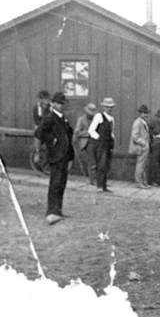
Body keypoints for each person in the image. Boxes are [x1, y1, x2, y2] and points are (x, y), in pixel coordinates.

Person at [34, 92, 74, 224]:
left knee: (62, 184)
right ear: (53, 104)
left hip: (65, 157)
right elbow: (38, 134)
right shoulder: (49, 118)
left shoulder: (64, 119)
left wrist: (71, 157)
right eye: (58, 103)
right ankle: (51, 212)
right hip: (55, 157)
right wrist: (46, 145)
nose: (61, 106)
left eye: (62, 103)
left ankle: (58, 210)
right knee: (55, 184)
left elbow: (69, 139)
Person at [88, 97, 116, 191]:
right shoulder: (98, 116)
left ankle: (104, 186)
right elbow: (91, 130)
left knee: (107, 165)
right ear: (103, 107)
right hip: (100, 145)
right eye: (107, 107)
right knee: (101, 165)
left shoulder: (112, 119)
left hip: (108, 144)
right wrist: (99, 138)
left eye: (111, 107)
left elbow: (111, 131)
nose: (109, 109)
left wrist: (112, 138)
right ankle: (99, 186)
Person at [73, 103, 97, 183]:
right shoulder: (81, 119)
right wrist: (88, 132)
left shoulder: (96, 119)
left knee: (96, 160)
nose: (91, 115)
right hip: (85, 142)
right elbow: (77, 132)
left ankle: (94, 178)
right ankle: (92, 179)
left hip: (96, 141)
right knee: (91, 161)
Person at [129, 105, 151, 188]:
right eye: (144, 113)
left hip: (144, 147)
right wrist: (144, 143)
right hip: (141, 147)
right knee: (140, 165)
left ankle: (143, 182)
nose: (146, 115)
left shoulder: (143, 122)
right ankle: (139, 183)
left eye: (147, 113)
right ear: (140, 113)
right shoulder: (137, 122)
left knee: (143, 165)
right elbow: (135, 136)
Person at [31, 90, 52, 170]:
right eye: (45, 99)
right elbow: (36, 120)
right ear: (41, 100)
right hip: (40, 125)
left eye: (47, 99)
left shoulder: (51, 107)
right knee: (38, 133)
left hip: (48, 126)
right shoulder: (36, 108)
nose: (47, 101)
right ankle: (37, 151)